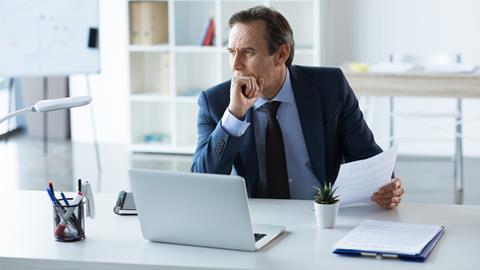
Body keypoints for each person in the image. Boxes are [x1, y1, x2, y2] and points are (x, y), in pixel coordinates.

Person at [191, 6, 404, 209]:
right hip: (257, 220)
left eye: (248, 52)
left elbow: (367, 157)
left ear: (282, 53)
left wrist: (387, 187)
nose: (236, 65)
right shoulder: (215, 102)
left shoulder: (330, 87)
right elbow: (201, 183)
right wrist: (234, 115)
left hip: (322, 214)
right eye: (231, 52)